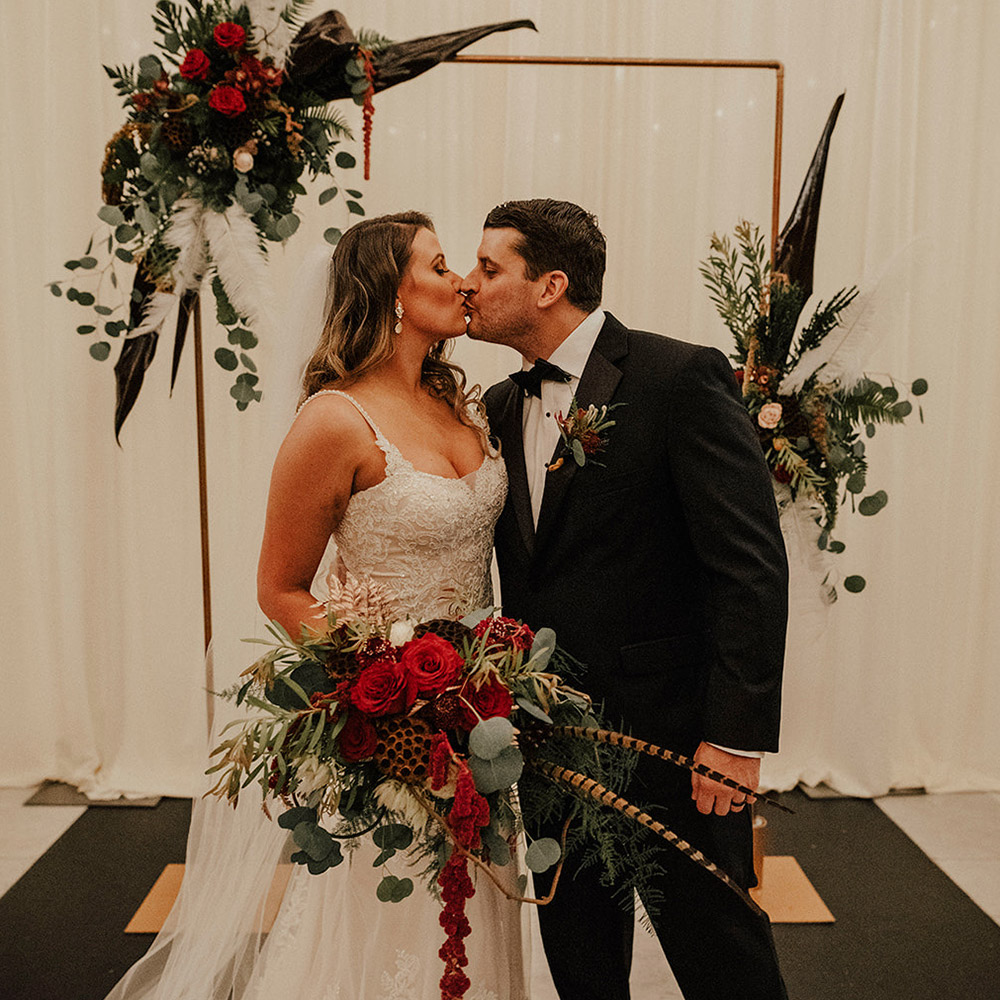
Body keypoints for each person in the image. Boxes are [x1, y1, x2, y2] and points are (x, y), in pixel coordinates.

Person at [104, 212, 524, 1000]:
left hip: (484, 716)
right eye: (440, 267)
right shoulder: (334, 421)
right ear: (393, 295)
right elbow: (279, 587)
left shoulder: (464, 405)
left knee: (478, 914)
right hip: (396, 727)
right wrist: (387, 682)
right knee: (391, 920)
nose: (464, 281)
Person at [463, 198, 789, 1000]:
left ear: (550, 286)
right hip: (545, 742)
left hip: (671, 739)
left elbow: (749, 565)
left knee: (721, 954)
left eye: (489, 267)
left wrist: (734, 736)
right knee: (579, 960)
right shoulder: (500, 408)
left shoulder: (679, 377)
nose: (470, 285)